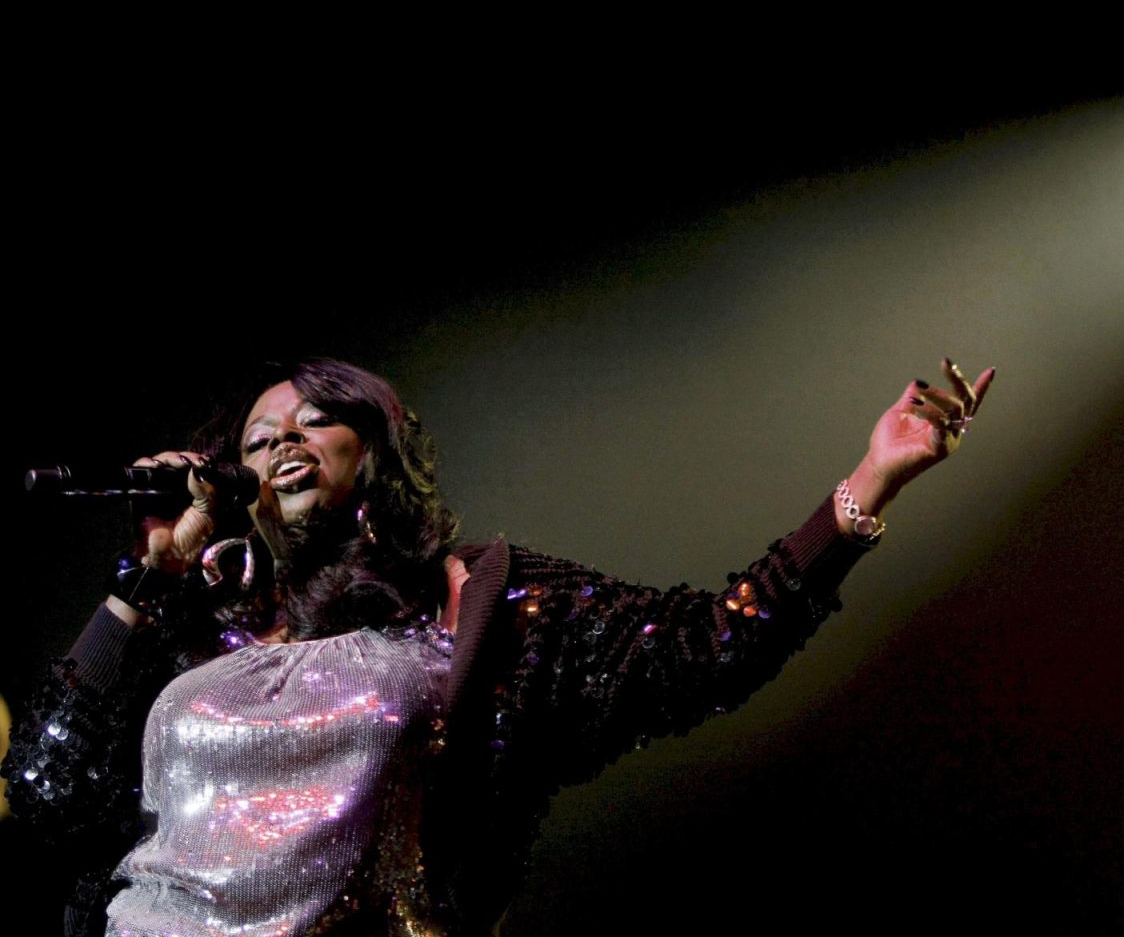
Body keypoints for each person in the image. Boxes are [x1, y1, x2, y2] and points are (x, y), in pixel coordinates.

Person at [5, 356, 994, 935]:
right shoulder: (195, 631)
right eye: (260, 437)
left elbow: (707, 648)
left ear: (376, 449)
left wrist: (870, 480)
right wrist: (144, 579)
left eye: (318, 417)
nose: (282, 441)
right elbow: (43, 791)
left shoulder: (486, 604)